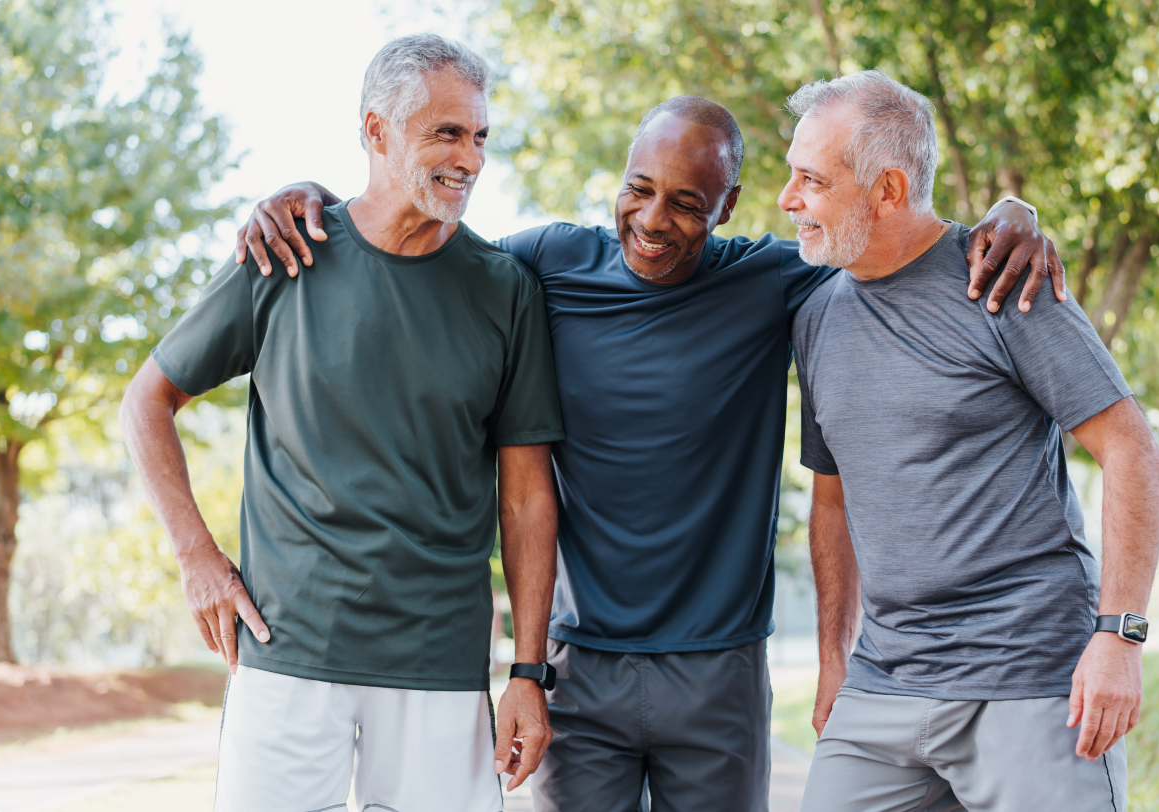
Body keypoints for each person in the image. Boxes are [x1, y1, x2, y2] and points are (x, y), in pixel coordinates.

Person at [239, 86, 1064, 812]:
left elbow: (893, 236)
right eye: (639, 190)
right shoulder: (548, 264)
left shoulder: (777, 280)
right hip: (581, 668)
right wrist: (313, 196)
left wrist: (1012, 217)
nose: (654, 221)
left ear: (730, 205)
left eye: (686, 203)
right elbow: (423, 242)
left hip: (719, 674)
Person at [119, 35, 565, 811]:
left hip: (440, 662)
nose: (470, 158)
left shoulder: (506, 291)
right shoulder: (286, 252)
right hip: (286, 649)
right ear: (376, 132)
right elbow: (146, 401)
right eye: (446, 133)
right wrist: (197, 558)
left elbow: (526, 498)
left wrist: (527, 672)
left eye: (480, 135)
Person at [783, 71, 1159, 812]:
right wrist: (834, 657)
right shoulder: (816, 316)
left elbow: (1132, 450)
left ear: (888, 190)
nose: (787, 200)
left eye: (811, 180)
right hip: (884, 684)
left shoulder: (1005, 282)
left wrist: (1120, 637)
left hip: (1027, 676)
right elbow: (835, 497)